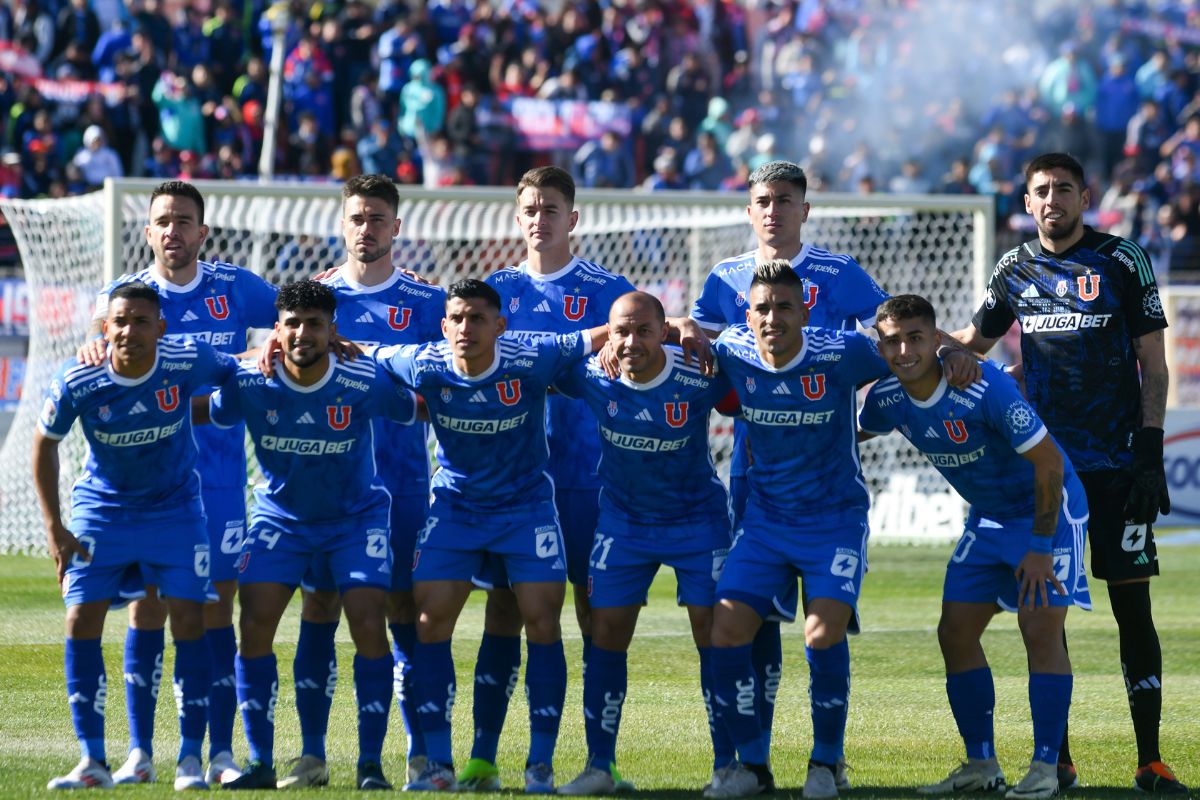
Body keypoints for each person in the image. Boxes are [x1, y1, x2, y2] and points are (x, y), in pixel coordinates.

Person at [459, 166, 707, 792]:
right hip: (517, 485)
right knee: (506, 613)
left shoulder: (608, 290)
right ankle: (487, 758)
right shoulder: (494, 291)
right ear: (518, 218)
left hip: (594, 483)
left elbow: (653, 328)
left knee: (598, 619)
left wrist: (680, 325)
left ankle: (601, 760)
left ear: (573, 219)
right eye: (530, 209)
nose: (540, 219)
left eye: (552, 209)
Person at [952, 152, 1188, 795]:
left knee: (1131, 611)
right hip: (1048, 474)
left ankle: (1151, 759)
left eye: (1063, 189)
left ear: (1085, 197)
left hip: (1116, 469)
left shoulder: (1122, 259)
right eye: (1040, 191)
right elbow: (971, 343)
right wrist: (893, 347)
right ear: (1026, 203)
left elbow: (1154, 364)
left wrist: (1149, 449)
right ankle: (1058, 758)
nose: (1051, 199)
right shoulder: (1014, 268)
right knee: (1043, 619)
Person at [689, 160, 888, 783]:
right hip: (755, 471)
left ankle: (826, 760)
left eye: (784, 200)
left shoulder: (837, 274)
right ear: (749, 211)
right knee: (748, 625)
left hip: (827, 472)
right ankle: (751, 758)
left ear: (805, 209)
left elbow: (893, 338)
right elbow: (699, 344)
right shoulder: (726, 279)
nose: (772, 209)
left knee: (819, 630)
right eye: (762, 200)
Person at [372, 279, 608, 793]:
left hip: (526, 510)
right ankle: (436, 763)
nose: (465, 328)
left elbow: (604, 332)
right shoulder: (424, 362)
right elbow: (368, 350)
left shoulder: (533, 356)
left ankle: (539, 766)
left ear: (500, 326)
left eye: (478, 318)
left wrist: (678, 326)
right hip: (455, 509)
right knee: (429, 621)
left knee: (543, 621)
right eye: (456, 318)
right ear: (443, 324)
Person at [85, 180, 279, 787]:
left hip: (218, 484)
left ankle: (217, 754)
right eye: (162, 221)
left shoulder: (232, 288)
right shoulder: (127, 300)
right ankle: (140, 754)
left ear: (202, 230)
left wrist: (276, 333)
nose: (173, 230)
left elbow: (296, 317)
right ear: (148, 232)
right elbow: (98, 333)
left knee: (216, 610)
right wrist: (96, 341)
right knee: (147, 611)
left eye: (184, 221)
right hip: (148, 489)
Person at [861, 294, 1090, 800]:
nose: (904, 351)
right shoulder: (886, 398)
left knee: (1040, 630)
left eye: (916, 338)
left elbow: (1050, 464)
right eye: (892, 341)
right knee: (955, 631)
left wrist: (1039, 546)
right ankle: (981, 763)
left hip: (1045, 510)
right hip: (988, 518)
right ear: (880, 348)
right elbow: (845, 432)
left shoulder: (983, 386)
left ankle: (1047, 769)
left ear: (936, 338)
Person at [209, 280, 418, 791]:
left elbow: (411, 407)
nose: (304, 333)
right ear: (277, 330)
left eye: (315, 324)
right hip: (282, 520)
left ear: (333, 331)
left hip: (356, 519)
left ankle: (370, 763)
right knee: (254, 623)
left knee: (369, 621)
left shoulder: (362, 377)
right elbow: (214, 401)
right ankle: (263, 761)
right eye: (293, 324)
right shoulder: (250, 379)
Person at [275, 174, 446, 789]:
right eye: (356, 218)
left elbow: (444, 391)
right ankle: (314, 754)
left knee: (404, 607)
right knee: (319, 604)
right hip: (324, 487)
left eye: (377, 218)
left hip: (400, 484)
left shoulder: (429, 304)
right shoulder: (310, 299)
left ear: (395, 227)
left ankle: (418, 751)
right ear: (341, 224)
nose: (365, 228)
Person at [34, 282, 239, 791]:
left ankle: (191, 758)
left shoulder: (184, 359)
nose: (129, 330)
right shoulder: (80, 376)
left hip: (175, 509)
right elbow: (44, 445)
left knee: (191, 617)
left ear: (161, 329)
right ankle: (93, 761)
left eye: (141, 321)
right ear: (106, 328)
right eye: (119, 321)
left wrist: (275, 350)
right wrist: (55, 528)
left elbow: (238, 368)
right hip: (103, 510)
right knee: (81, 615)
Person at [552, 292, 737, 795]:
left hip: (697, 521)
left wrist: (690, 327)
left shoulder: (698, 369)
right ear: (607, 335)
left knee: (712, 635)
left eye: (643, 331)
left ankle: (727, 765)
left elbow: (750, 358)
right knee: (606, 632)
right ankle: (599, 767)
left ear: (664, 332)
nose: (631, 341)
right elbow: (537, 359)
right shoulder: (594, 373)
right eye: (621, 332)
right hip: (623, 524)